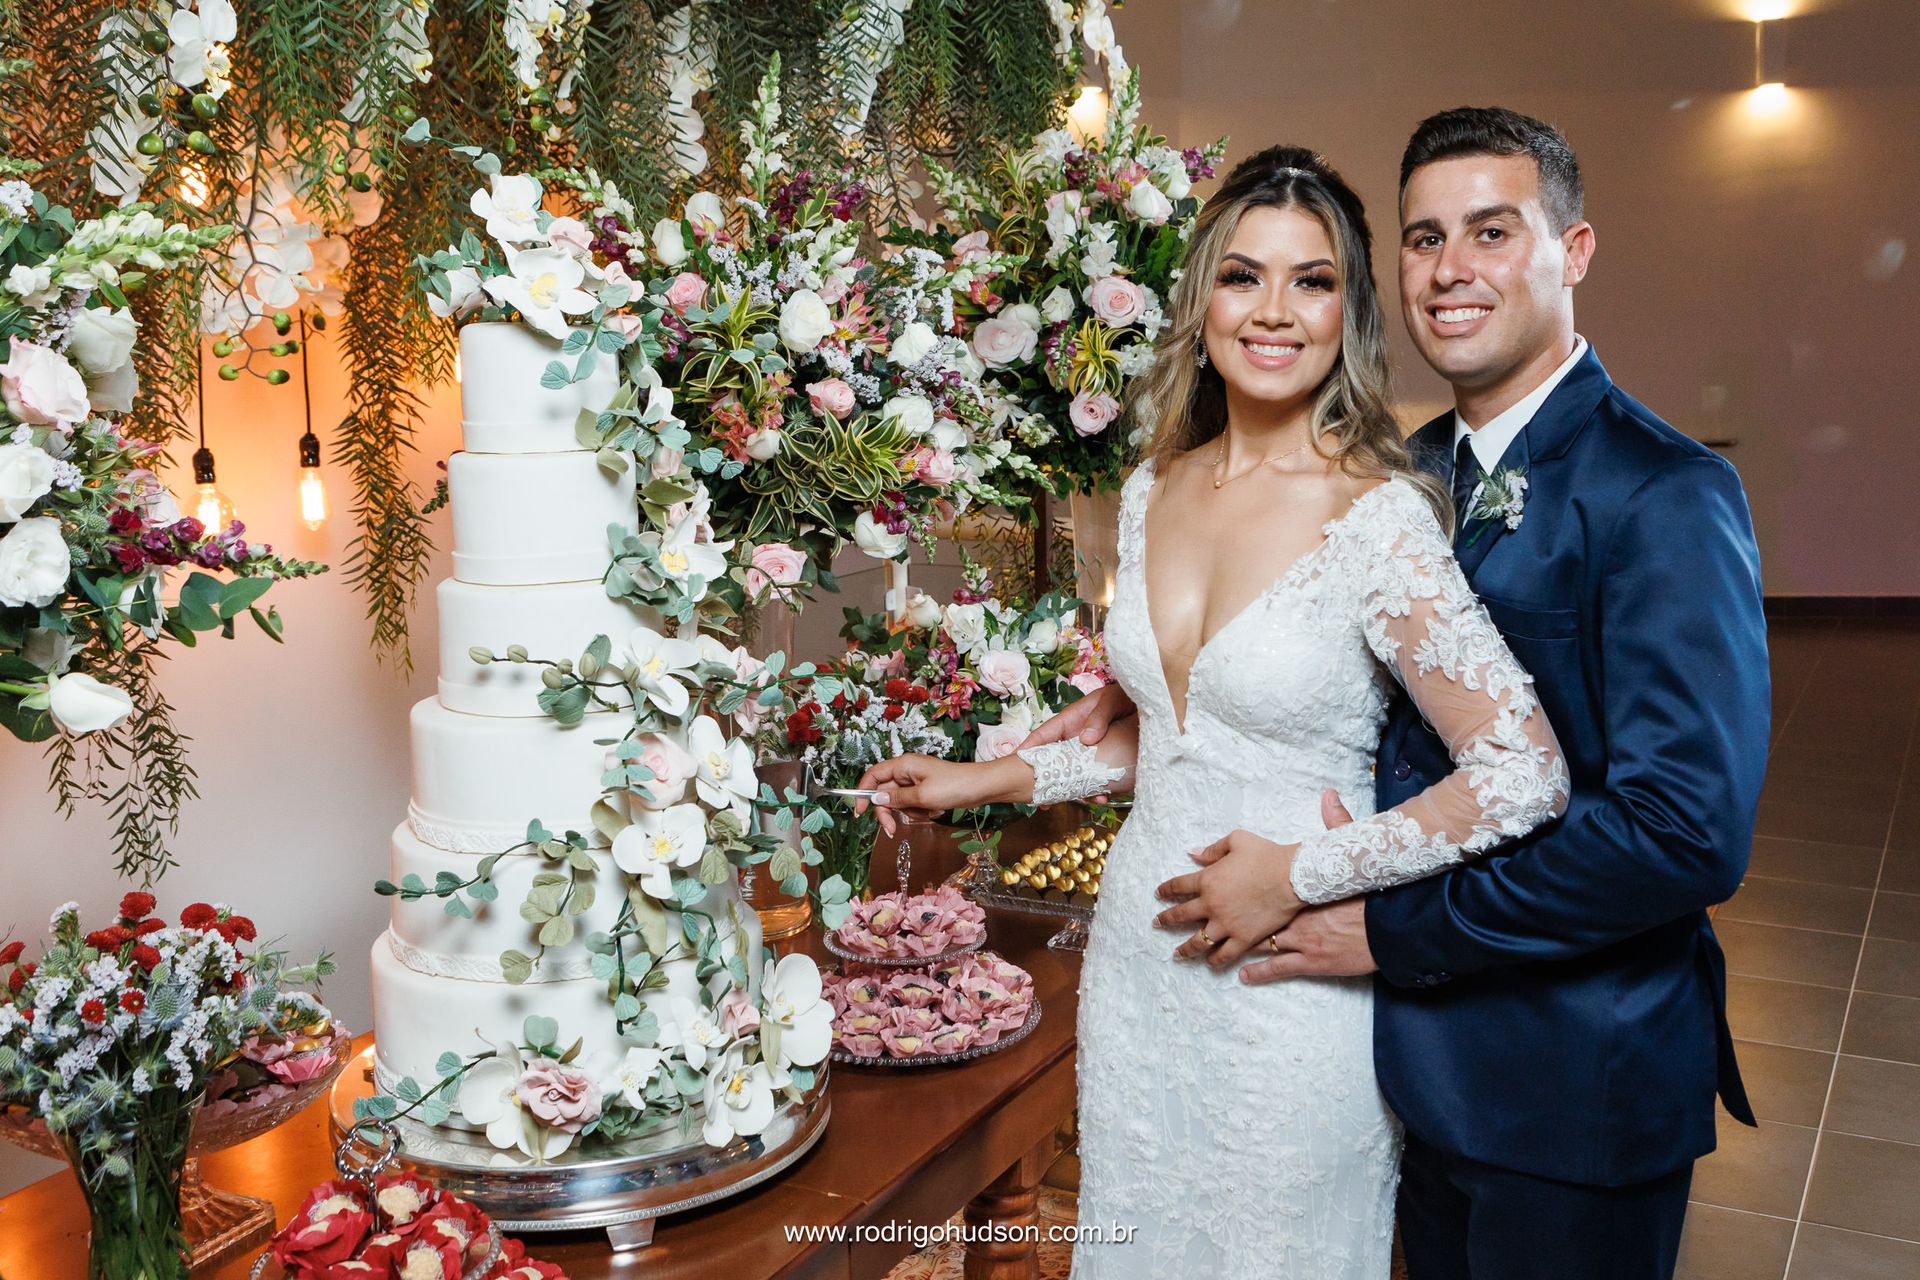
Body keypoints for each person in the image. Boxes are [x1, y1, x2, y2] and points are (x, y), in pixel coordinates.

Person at [1026, 108, 1770, 1279]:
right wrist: (1156, 702)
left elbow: (1683, 836)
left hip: (1569, 1079)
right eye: (1425, 238)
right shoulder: (1401, 473)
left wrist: (1376, 923)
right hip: (1401, 1060)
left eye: (1492, 230)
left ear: (1573, 251)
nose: (1451, 268)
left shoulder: (1665, 491)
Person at [857, 144, 1569, 1277]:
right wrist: (982, 779)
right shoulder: (1153, 489)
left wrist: (1300, 871)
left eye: (1314, 279)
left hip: (1282, 977)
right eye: (1244, 276)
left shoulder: (1377, 518)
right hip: (1141, 968)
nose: (1275, 311)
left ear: (1352, 309)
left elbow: (1523, 771)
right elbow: (1181, 738)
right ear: (1202, 301)